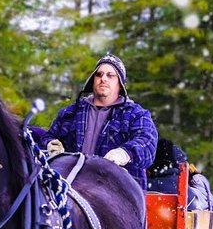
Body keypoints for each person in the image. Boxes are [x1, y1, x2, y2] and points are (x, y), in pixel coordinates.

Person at [43, 53, 158, 189]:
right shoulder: (71, 112)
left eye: (110, 75)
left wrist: (124, 153)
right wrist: (50, 144)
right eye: (99, 74)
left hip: (118, 192)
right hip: (71, 189)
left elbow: (147, 142)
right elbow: (48, 136)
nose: (103, 78)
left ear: (120, 84)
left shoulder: (136, 114)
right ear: (93, 80)